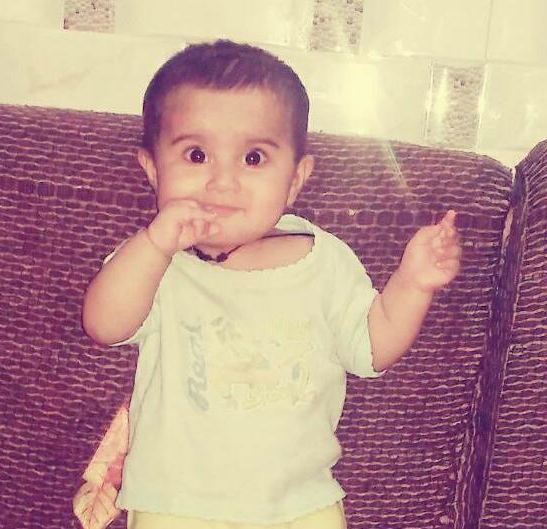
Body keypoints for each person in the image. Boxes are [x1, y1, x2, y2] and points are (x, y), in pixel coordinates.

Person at [75, 39, 461, 529]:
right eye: (197, 154)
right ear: (153, 170)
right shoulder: (155, 263)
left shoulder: (324, 262)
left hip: (301, 505)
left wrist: (413, 284)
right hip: (177, 503)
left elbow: (372, 347)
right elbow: (103, 325)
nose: (223, 181)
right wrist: (154, 244)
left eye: (253, 158)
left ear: (295, 179)